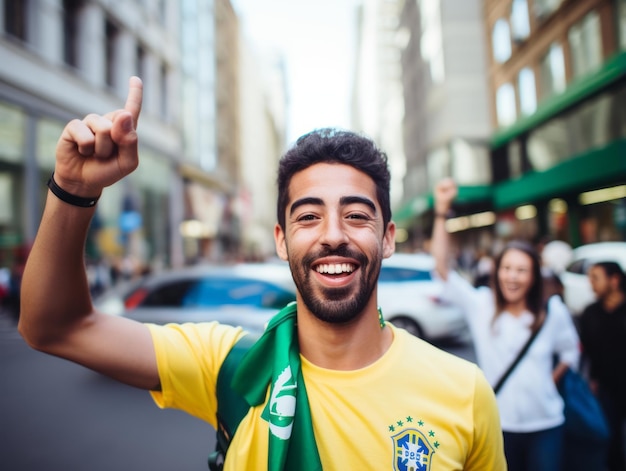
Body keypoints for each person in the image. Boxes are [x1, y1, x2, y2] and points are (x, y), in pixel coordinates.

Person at [18, 77, 506, 470]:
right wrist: (71, 191)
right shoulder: (230, 366)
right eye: (308, 216)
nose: (332, 235)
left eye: (357, 215)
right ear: (280, 239)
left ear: (389, 237)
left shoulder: (463, 391)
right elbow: (54, 327)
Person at [431, 178, 580, 471]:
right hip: (497, 424)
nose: (512, 277)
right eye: (507, 268)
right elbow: (441, 268)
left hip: (547, 424)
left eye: (521, 270)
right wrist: (441, 212)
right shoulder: (481, 305)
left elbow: (570, 353)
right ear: (496, 272)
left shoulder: (553, 311)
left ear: (534, 276)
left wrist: (548, 382)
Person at [578, 262, 626, 471]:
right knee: (609, 439)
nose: (591, 284)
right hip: (604, 389)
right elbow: (585, 353)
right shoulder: (590, 313)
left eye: (596, 278)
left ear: (614, 280)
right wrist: (591, 380)